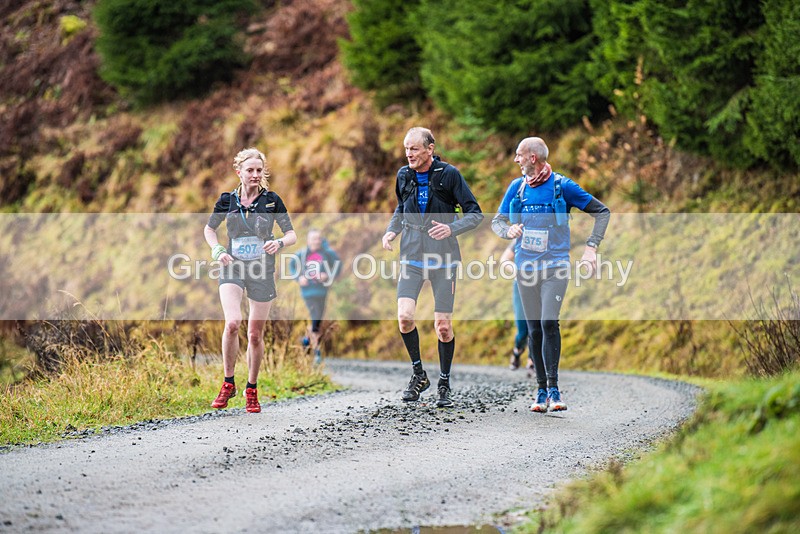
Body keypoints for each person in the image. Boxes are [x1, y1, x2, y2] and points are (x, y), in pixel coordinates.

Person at [492, 137, 610, 413]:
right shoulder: (517, 187)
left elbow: (602, 212)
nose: (515, 160)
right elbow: (497, 221)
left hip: (555, 267)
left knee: (548, 322)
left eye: (519, 155)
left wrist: (591, 248)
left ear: (533, 157)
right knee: (533, 328)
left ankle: (554, 390)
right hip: (525, 269)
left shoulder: (562, 186)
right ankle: (541, 391)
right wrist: (507, 231)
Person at [382, 127, 483, 408]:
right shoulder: (404, 175)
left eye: (414, 149)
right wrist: (392, 231)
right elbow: (401, 208)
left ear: (430, 148)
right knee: (404, 317)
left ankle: (444, 383)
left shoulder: (449, 174)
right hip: (412, 255)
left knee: (443, 326)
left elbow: (475, 213)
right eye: (406, 149)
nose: (408, 154)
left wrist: (451, 229)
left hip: (443, 260)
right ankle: (419, 375)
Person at [204, 147, 297, 413]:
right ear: (239, 172)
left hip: (261, 271)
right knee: (232, 323)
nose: (255, 175)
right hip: (232, 267)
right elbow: (209, 229)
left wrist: (278, 243)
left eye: (259, 171)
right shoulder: (227, 200)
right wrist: (217, 249)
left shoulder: (272, 201)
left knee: (255, 335)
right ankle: (228, 382)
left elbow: (291, 234)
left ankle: (252, 389)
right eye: (250, 170)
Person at [292, 229, 341, 364]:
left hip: (322, 291)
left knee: (318, 320)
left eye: (319, 239)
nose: (316, 241)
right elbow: (292, 266)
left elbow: (338, 265)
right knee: (315, 319)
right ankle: (317, 352)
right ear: (308, 240)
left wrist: (328, 275)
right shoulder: (302, 254)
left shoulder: (326, 253)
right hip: (308, 292)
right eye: (314, 239)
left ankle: (306, 340)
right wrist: (299, 277)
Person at [499, 240, 534, 372]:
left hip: (541, 284)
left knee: (536, 325)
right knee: (523, 329)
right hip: (521, 286)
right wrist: (518, 272)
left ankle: (532, 360)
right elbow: (504, 259)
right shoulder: (521, 237)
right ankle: (517, 351)